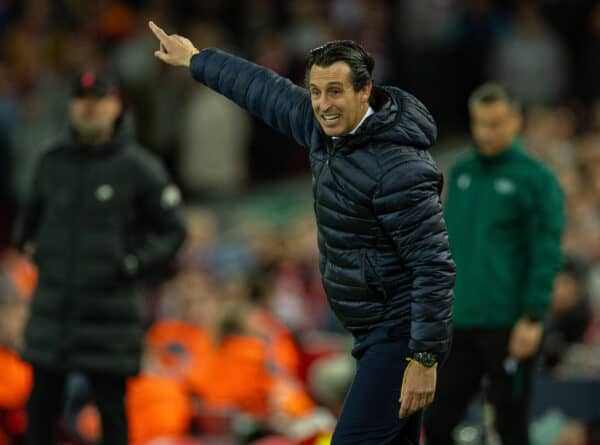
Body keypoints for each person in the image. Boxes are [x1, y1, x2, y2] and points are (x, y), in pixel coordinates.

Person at [149, 21, 455, 445]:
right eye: (315, 91)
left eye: (335, 91)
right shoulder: (323, 131)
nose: (323, 104)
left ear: (364, 92)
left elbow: (434, 265)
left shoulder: (399, 167)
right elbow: (262, 89)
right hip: (374, 332)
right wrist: (198, 60)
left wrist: (424, 356)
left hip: (398, 335)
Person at [12, 70, 186, 445]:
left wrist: (134, 262)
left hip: (110, 315)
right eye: (82, 101)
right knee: (40, 413)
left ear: (116, 106)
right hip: (52, 312)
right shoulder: (51, 161)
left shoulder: (140, 167)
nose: (89, 110)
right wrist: (30, 246)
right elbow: (26, 220)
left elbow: (174, 230)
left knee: (111, 416)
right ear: (72, 106)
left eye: (99, 101)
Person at [423, 83, 564, 445]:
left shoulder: (535, 179)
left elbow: (545, 251)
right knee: (438, 421)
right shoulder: (463, 171)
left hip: (509, 325)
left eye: (495, 124)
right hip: (460, 322)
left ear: (515, 121)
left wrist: (533, 316)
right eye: (479, 123)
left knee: (510, 426)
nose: (485, 133)